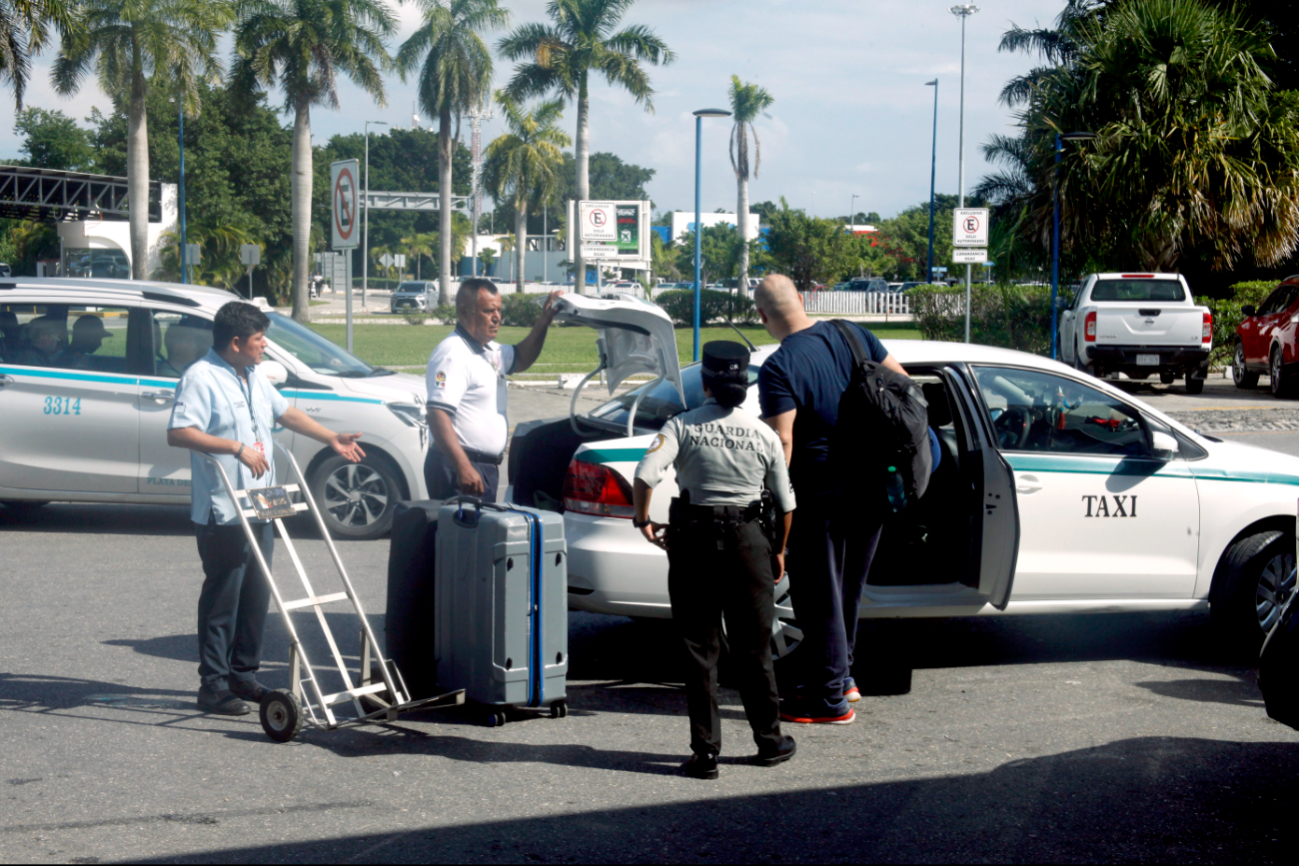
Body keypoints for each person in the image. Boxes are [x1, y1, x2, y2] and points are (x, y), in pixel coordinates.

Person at [167, 301, 367, 716]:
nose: (265, 347)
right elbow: (179, 432)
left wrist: (331, 437)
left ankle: (243, 674)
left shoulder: (253, 374)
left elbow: (286, 412)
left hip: (261, 502)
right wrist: (234, 448)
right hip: (224, 507)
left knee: (258, 592)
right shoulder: (200, 378)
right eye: (260, 340)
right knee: (225, 594)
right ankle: (214, 684)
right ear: (236, 342)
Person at [632, 340, 798, 780]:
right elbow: (785, 504)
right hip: (749, 543)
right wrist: (778, 551)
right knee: (754, 647)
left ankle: (706, 753)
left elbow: (645, 474)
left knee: (699, 649)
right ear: (744, 384)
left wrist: (643, 520)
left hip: (693, 541)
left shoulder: (681, 426)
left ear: (704, 381)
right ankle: (770, 741)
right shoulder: (763, 433)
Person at [754, 274, 909, 725]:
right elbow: (902, 383)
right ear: (802, 300)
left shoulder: (779, 367)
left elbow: (782, 442)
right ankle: (843, 679)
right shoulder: (851, 331)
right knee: (847, 588)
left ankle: (828, 702)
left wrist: (772, 504)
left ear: (762, 317)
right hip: (875, 484)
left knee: (819, 596)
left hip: (821, 492)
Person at [424, 279, 561, 502]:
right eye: (489, 311)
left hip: (482, 467)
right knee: (461, 536)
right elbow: (437, 414)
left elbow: (522, 358)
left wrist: (543, 322)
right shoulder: (453, 354)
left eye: (499, 310)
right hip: (460, 467)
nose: (497, 317)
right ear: (464, 311)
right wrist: (463, 466)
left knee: (481, 536)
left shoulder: (490, 350)